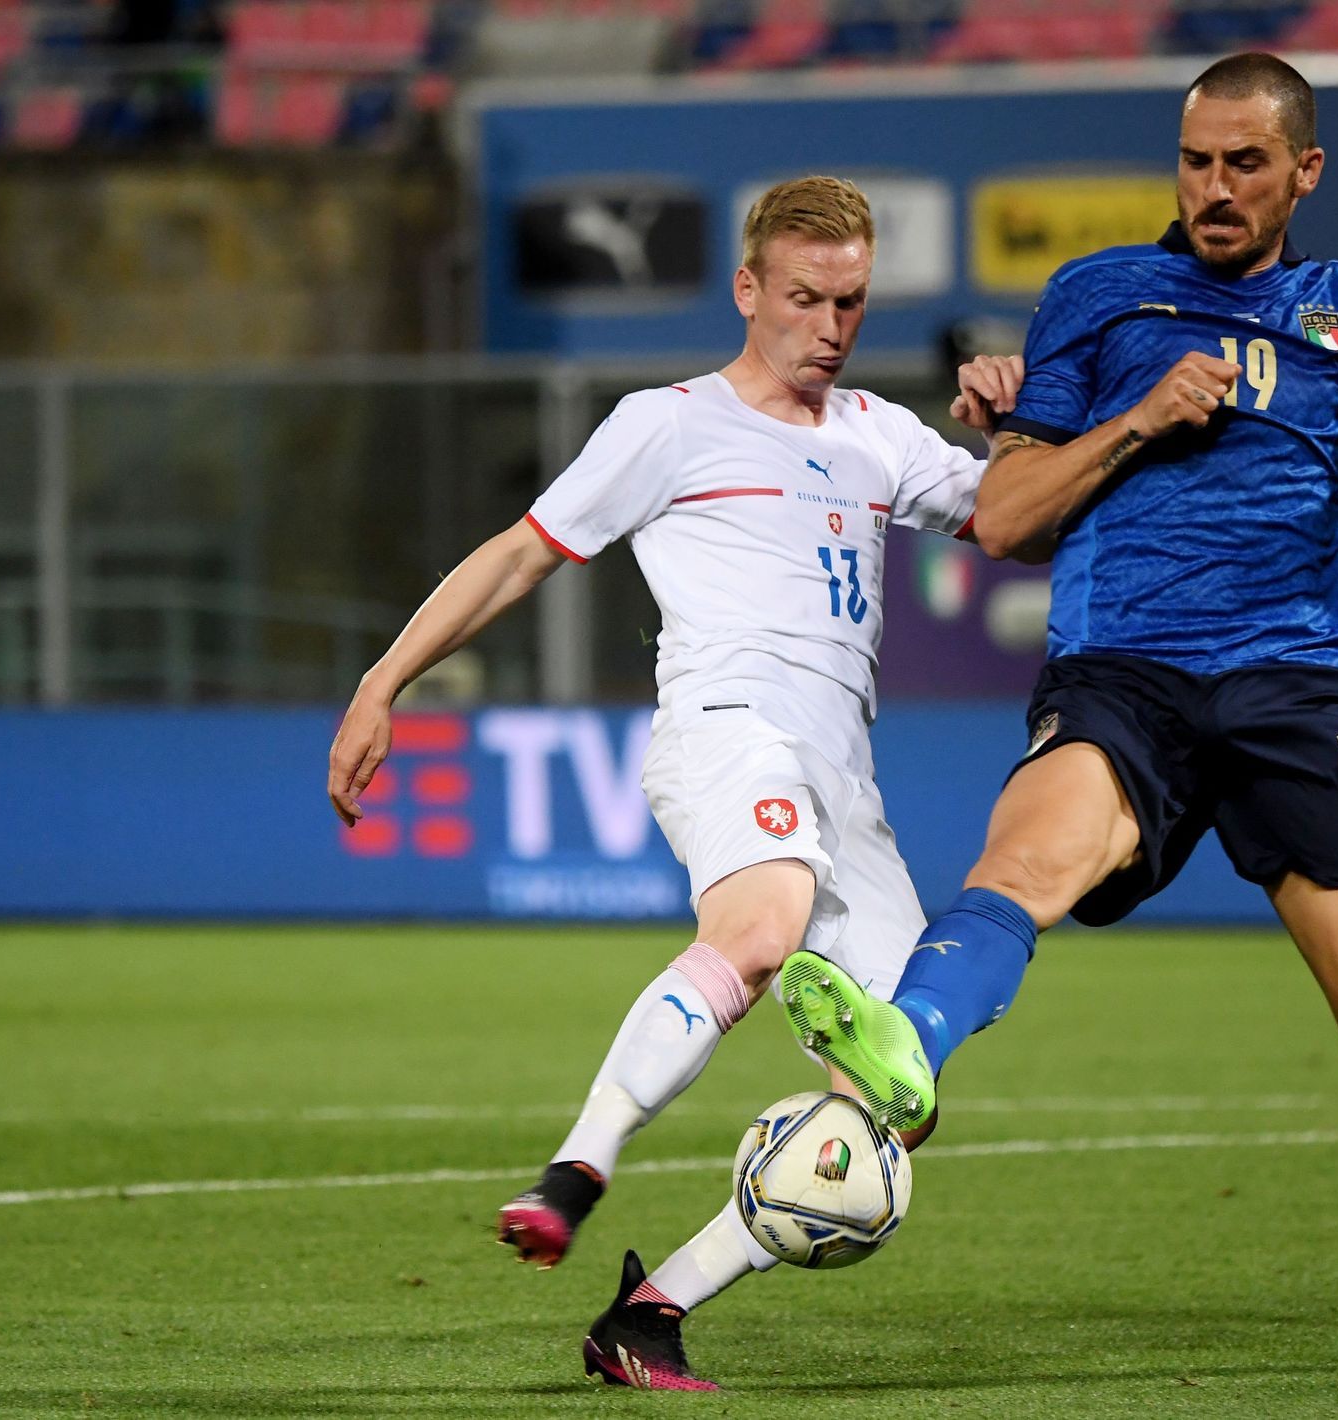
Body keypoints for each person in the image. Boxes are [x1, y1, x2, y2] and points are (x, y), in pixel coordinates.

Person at [782, 53, 1338, 1372]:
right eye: (1192, 161)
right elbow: (1003, 515)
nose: (1212, 188)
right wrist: (1143, 419)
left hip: (1295, 692)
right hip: (1127, 672)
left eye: (1243, 163)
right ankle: (903, 1046)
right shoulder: (1100, 298)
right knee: (1022, 863)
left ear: (1301, 172)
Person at [326, 175, 1026, 1391]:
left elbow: (1027, 522)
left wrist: (1024, 422)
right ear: (749, 289)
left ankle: (649, 1312)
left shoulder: (879, 434)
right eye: (804, 296)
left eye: (851, 301)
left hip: (843, 782)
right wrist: (384, 679)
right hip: (727, 729)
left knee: (889, 1107)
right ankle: (574, 1170)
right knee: (759, 929)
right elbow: (516, 558)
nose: (829, 323)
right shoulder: (671, 423)